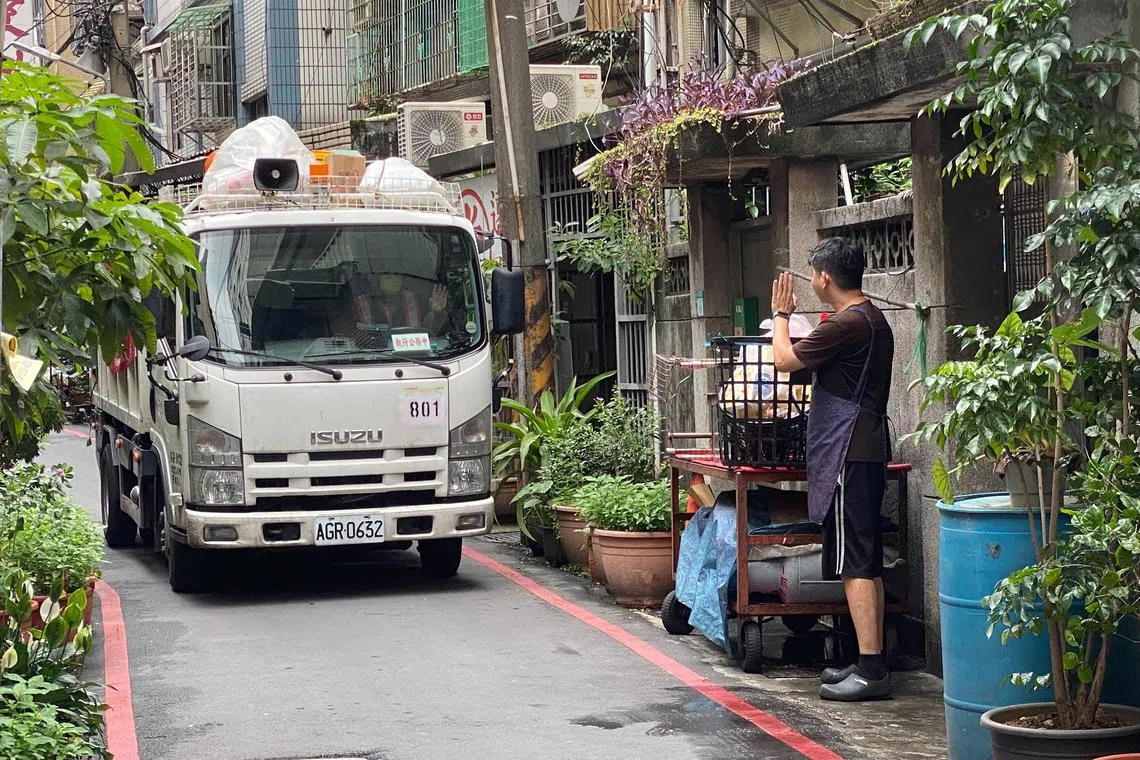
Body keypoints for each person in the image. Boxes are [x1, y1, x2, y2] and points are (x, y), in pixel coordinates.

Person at [769, 236, 895, 702]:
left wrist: (782, 315)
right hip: (866, 447)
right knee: (865, 558)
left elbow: (783, 360)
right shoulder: (871, 320)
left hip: (849, 451)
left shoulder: (847, 324)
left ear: (824, 278)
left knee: (854, 562)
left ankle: (872, 671)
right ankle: (869, 661)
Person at [349, 272, 449, 334]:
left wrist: (438, 314)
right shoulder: (361, 304)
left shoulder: (416, 300)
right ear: (378, 278)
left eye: (395, 274)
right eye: (387, 274)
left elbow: (430, 329)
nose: (391, 277)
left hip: (414, 358)